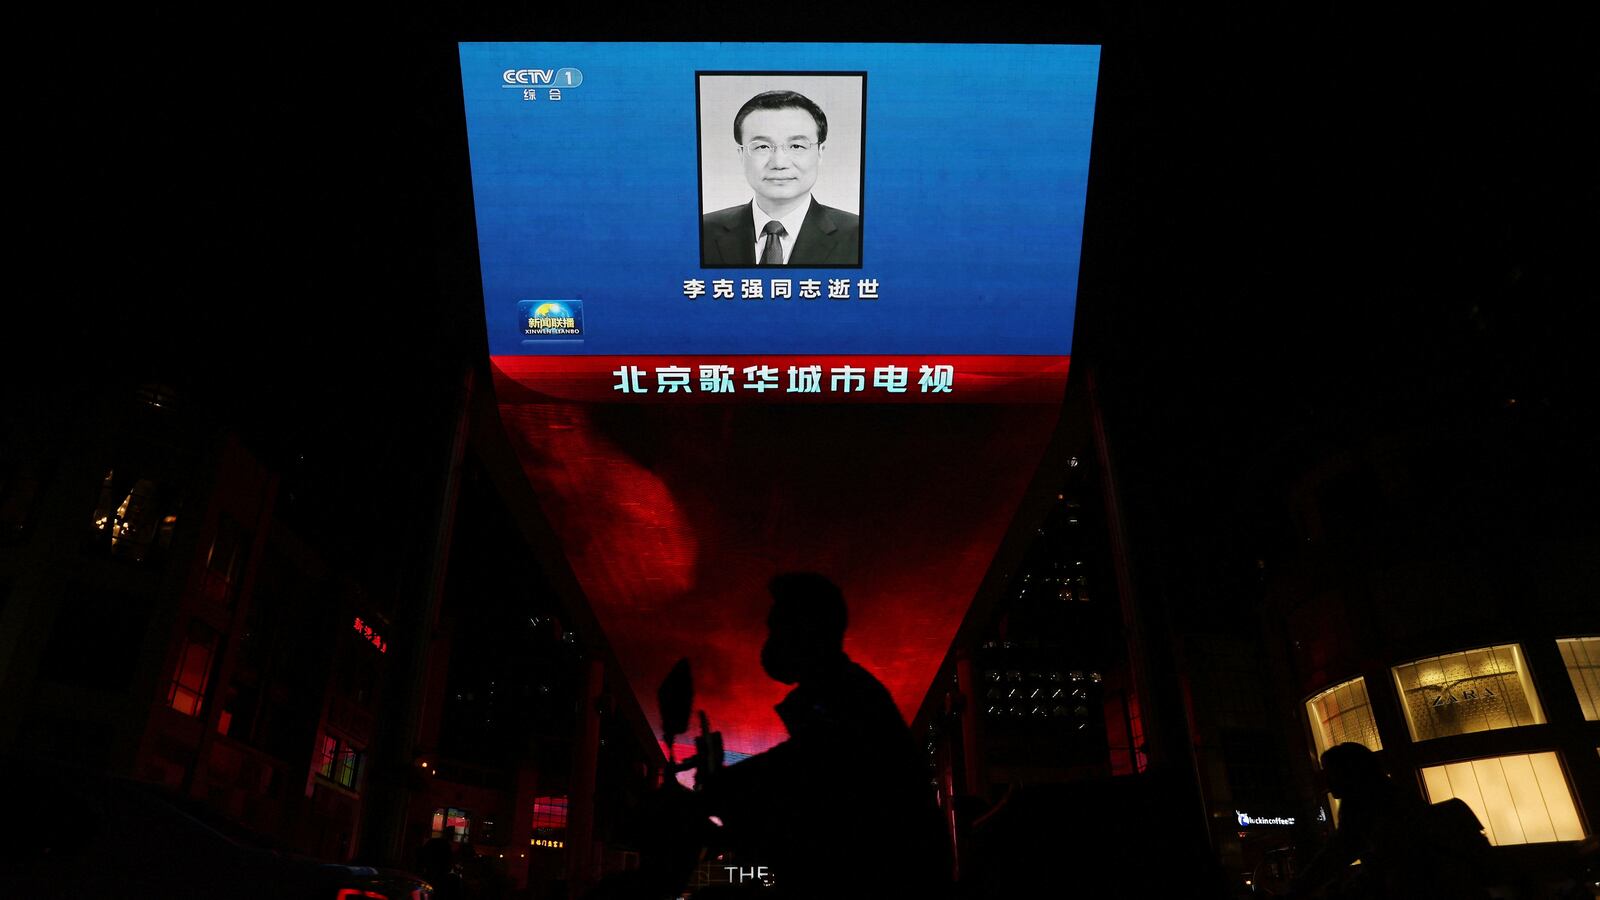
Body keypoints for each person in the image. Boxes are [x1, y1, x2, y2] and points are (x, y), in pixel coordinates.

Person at [698, 573, 948, 899]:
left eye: (778, 626)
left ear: (808, 629)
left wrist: (722, 790)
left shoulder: (846, 695)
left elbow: (804, 767)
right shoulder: (841, 691)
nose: (771, 638)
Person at [1287, 742, 1492, 899]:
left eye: (1330, 772)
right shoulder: (1396, 796)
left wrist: (1298, 888)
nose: (1326, 780)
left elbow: (1338, 853)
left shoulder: (1364, 807)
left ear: (1349, 774)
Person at [701, 91, 861, 267]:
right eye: (762, 146)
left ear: (820, 152)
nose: (779, 163)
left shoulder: (859, 234)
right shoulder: (702, 231)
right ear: (741, 154)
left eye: (796, 146)